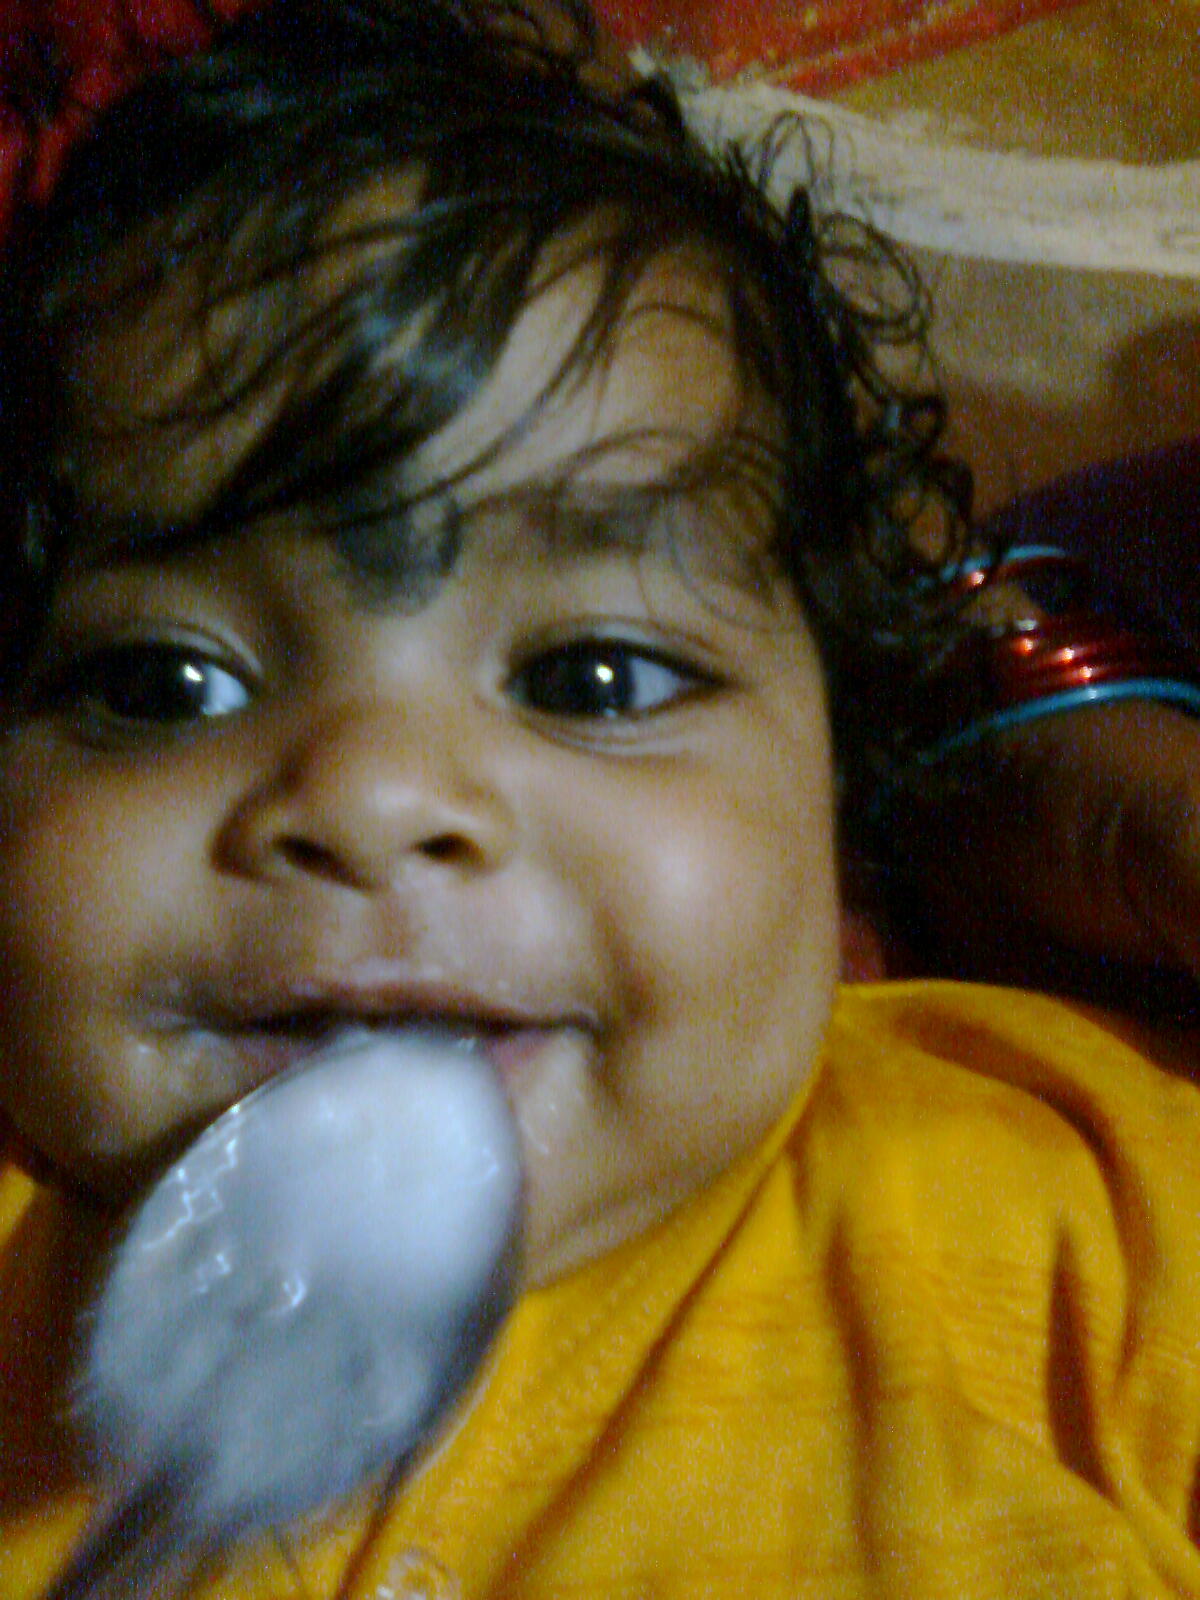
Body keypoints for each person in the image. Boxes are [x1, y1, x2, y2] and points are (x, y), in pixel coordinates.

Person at [2, 2, 1200, 1597]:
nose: (374, 796)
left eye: (595, 678)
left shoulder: (1093, 1208)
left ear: (841, 778)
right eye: (164, 685)